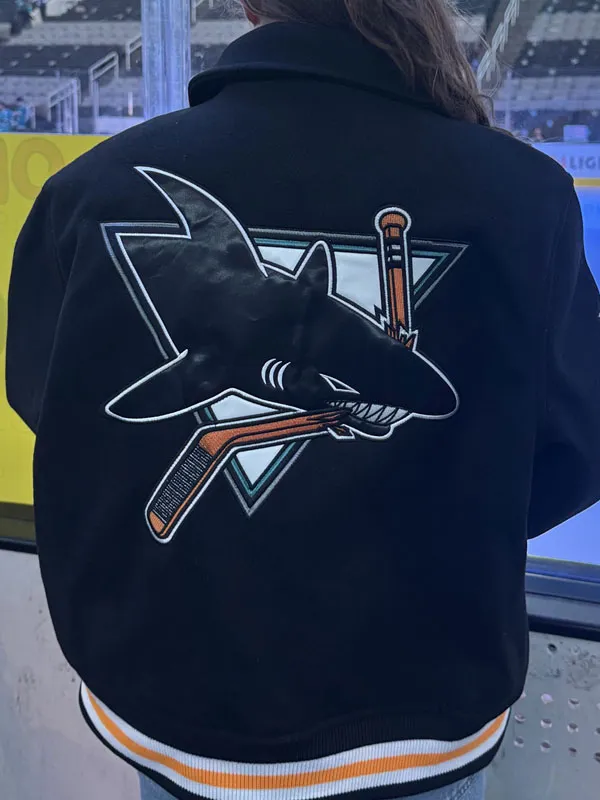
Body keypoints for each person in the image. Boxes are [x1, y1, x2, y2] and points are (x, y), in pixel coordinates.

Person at [6, 2, 600, 799]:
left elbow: (53, 406)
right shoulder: (525, 194)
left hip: (173, 710)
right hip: (415, 720)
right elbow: (574, 451)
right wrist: (432, 498)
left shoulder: (88, 190)